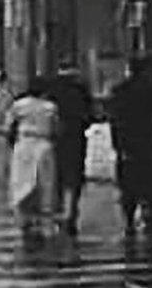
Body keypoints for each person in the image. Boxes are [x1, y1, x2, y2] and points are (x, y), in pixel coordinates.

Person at [107, 56, 152, 237]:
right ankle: (150, 215)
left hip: (128, 146)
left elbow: (115, 120)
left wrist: (118, 144)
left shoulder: (120, 92)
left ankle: (129, 219)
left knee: (128, 185)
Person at [5, 76, 59, 248]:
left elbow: (8, 126)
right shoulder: (50, 107)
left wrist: (12, 142)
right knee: (45, 182)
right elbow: (56, 127)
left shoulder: (19, 105)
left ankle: (25, 216)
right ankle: (45, 218)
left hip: (24, 144)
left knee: (22, 181)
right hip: (44, 144)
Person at [44, 58, 94, 236]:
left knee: (56, 176)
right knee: (74, 176)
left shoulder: (51, 89)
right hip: (76, 137)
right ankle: (71, 211)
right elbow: (89, 115)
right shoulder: (81, 89)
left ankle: (57, 211)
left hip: (54, 137)